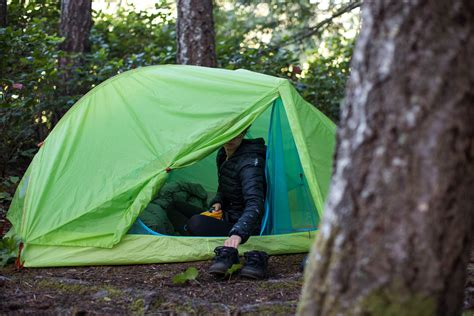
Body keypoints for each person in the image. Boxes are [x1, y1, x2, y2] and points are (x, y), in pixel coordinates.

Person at [165, 127, 269, 279]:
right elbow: (224, 186)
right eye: (227, 132)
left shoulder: (250, 164)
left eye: (237, 132)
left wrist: (238, 233)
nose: (231, 138)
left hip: (245, 225)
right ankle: (197, 231)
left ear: (244, 131)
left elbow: (255, 203)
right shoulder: (223, 153)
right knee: (173, 206)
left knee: (196, 222)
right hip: (226, 214)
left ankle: (213, 240)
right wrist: (218, 202)